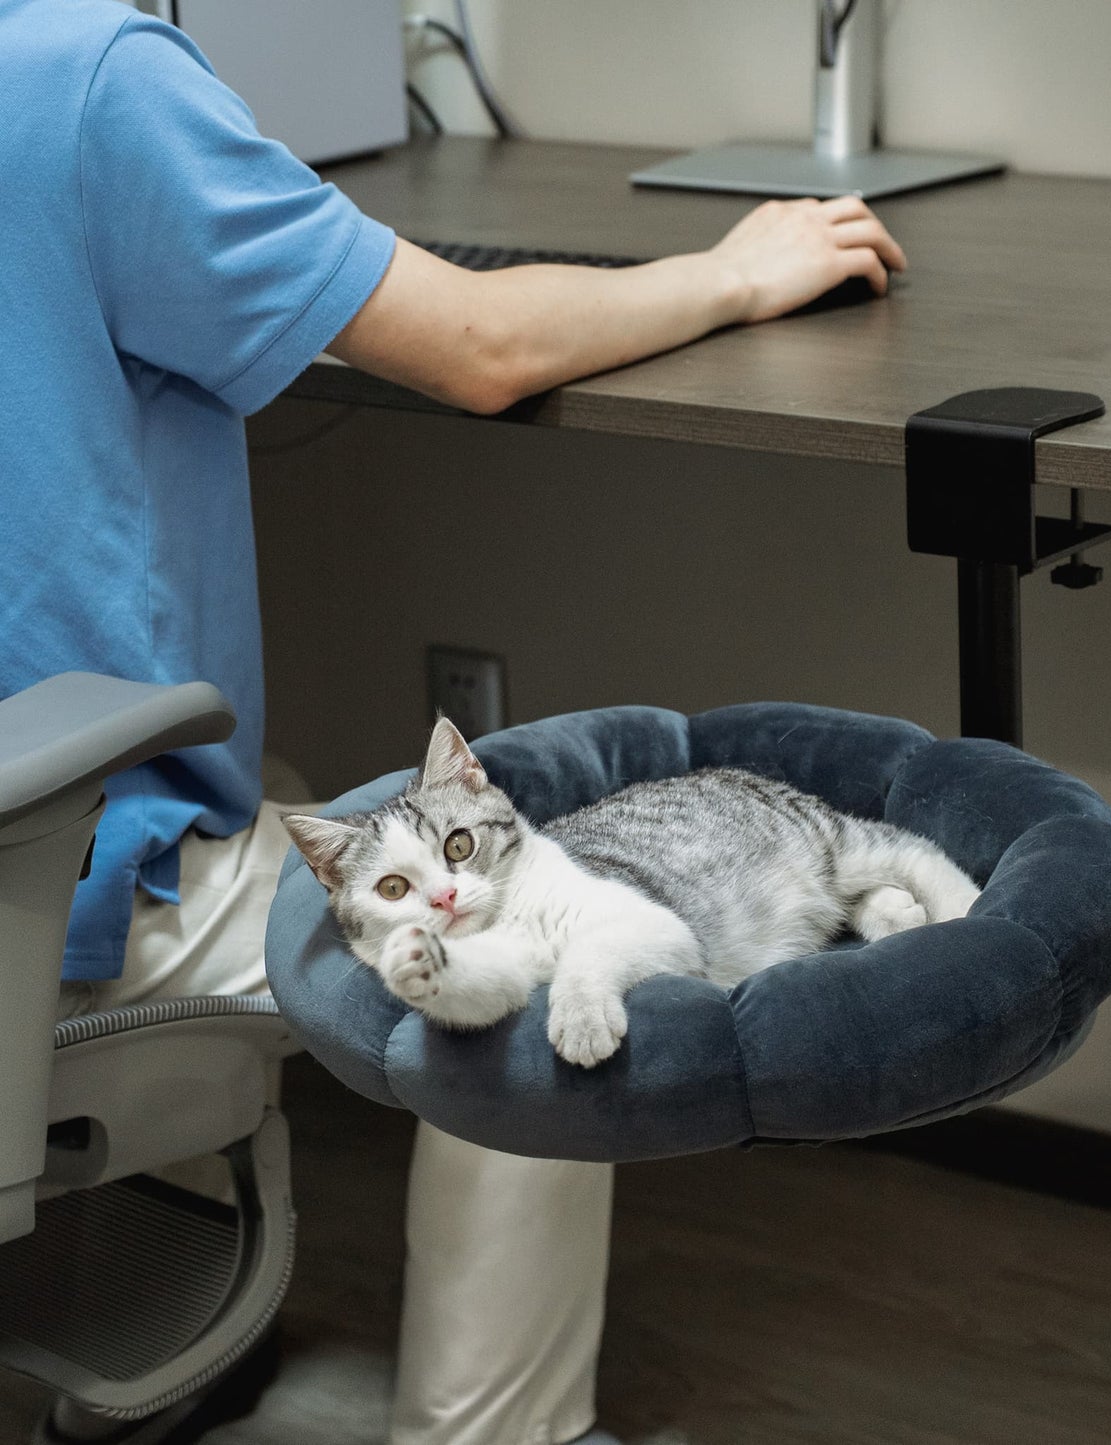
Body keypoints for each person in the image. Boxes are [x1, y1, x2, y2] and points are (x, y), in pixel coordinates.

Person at [0, 2, 906, 1442]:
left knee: (290, 804)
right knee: (524, 939)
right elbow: (477, 343)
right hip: (38, 887)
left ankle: (156, 1315)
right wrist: (733, 273)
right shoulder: (79, 81)